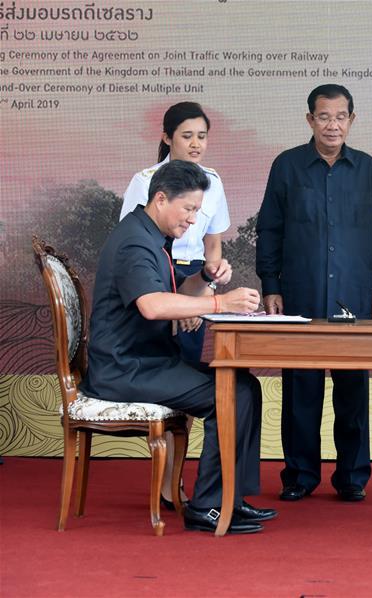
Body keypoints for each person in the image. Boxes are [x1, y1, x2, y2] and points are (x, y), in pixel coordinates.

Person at [82, 160, 274, 534]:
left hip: (144, 363)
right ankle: (208, 507)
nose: (192, 220)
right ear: (160, 198)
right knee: (233, 390)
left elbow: (171, 292)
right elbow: (153, 305)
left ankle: (229, 497)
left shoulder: (149, 236)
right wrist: (220, 303)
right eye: (188, 210)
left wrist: (204, 276)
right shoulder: (135, 242)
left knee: (244, 386)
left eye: (197, 212)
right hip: (126, 370)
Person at [256, 84, 372, 503]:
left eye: (341, 117)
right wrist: (271, 285)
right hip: (301, 293)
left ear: (352, 120)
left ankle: (352, 477)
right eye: (324, 116)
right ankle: (299, 476)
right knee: (302, 389)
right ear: (310, 119)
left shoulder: (368, 169)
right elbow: (269, 230)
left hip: (354, 294)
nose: (332, 125)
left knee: (353, 390)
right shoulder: (287, 166)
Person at [120, 102, 231, 509]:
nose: (196, 144)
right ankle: (174, 485)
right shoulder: (145, 180)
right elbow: (139, 243)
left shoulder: (213, 181)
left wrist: (208, 283)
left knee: (210, 377)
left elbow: (213, 244)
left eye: (202, 136)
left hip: (195, 284)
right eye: (187, 136)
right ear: (167, 137)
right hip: (159, 281)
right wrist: (182, 303)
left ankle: (216, 487)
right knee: (182, 382)